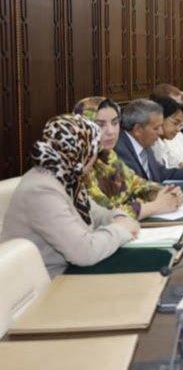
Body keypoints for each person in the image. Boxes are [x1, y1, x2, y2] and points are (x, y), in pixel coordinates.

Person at [1, 114, 140, 277]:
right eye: (94, 151)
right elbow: (84, 252)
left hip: (71, 272)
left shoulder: (67, 177)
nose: (95, 158)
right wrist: (121, 229)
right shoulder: (42, 191)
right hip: (48, 282)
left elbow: (98, 214)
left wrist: (119, 217)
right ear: (81, 152)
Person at [73, 96, 183, 220]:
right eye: (100, 125)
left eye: (115, 123)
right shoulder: (77, 163)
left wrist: (166, 192)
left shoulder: (107, 155)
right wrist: (155, 206)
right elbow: (105, 213)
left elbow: (135, 183)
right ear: (83, 128)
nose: (111, 131)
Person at [116, 99, 183, 191]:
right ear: (138, 129)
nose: (160, 132)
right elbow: (139, 189)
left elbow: (161, 172)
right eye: (156, 128)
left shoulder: (143, 143)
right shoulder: (120, 151)